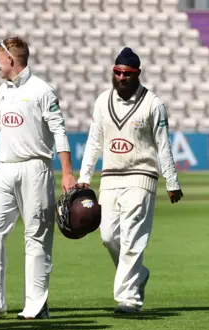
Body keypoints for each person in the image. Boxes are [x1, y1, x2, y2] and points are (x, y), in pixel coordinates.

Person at [77, 47, 183, 314]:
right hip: (110, 177)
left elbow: (163, 145)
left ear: (137, 74)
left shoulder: (153, 103)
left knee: (133, 237)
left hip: (142, 176)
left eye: (127, 74)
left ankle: (130, 299)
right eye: (117, 72)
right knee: (109, 236)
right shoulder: (102, 101)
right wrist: (84, 176)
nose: (121, 77)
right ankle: (138, 275)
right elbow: (93, 142)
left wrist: (171, 181)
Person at [0, 36, 76, 320]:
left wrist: (67, 172)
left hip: (36, 167)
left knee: (36, 237)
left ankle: (36, 306)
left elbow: (59, 131)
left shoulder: (42, 90)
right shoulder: (3, 91)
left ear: (11, 60)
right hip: (4, 168)